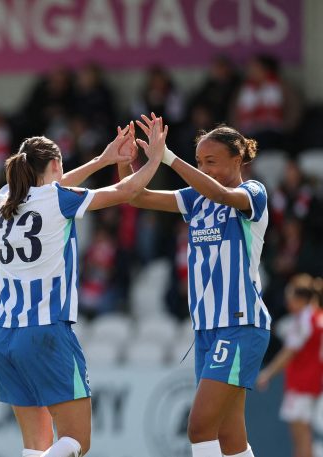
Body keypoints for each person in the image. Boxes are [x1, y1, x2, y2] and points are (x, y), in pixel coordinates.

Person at [0, 119, 166, 457]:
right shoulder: (58, 199)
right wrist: (156, 157)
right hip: (45, 331)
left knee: (36, 447)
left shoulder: (6, 198)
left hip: (5, 335)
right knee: (76, 441)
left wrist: (102, 160)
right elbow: (128, 191)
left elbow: (51, 190)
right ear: (56, 165)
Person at [118, 117, 271, 457]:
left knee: (199, 428)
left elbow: (220, 193)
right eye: (200, 162)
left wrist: (168, 158)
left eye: (211, 161)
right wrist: (126, 163)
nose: (204, 169)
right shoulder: (195, 199)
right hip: (207, 329)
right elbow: (136, 197)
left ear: (238, 159)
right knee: (230, 437)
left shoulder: (252, 193)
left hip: (240, 324)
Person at [256, 274, 323, 457]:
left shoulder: (304, 320)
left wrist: (267, 374)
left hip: (301, 385)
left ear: (300, 299)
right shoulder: (318, 317)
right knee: (305, 437)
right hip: (313, 384)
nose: (287, 302)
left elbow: (288, 353)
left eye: (290, 297)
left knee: (301, 438)